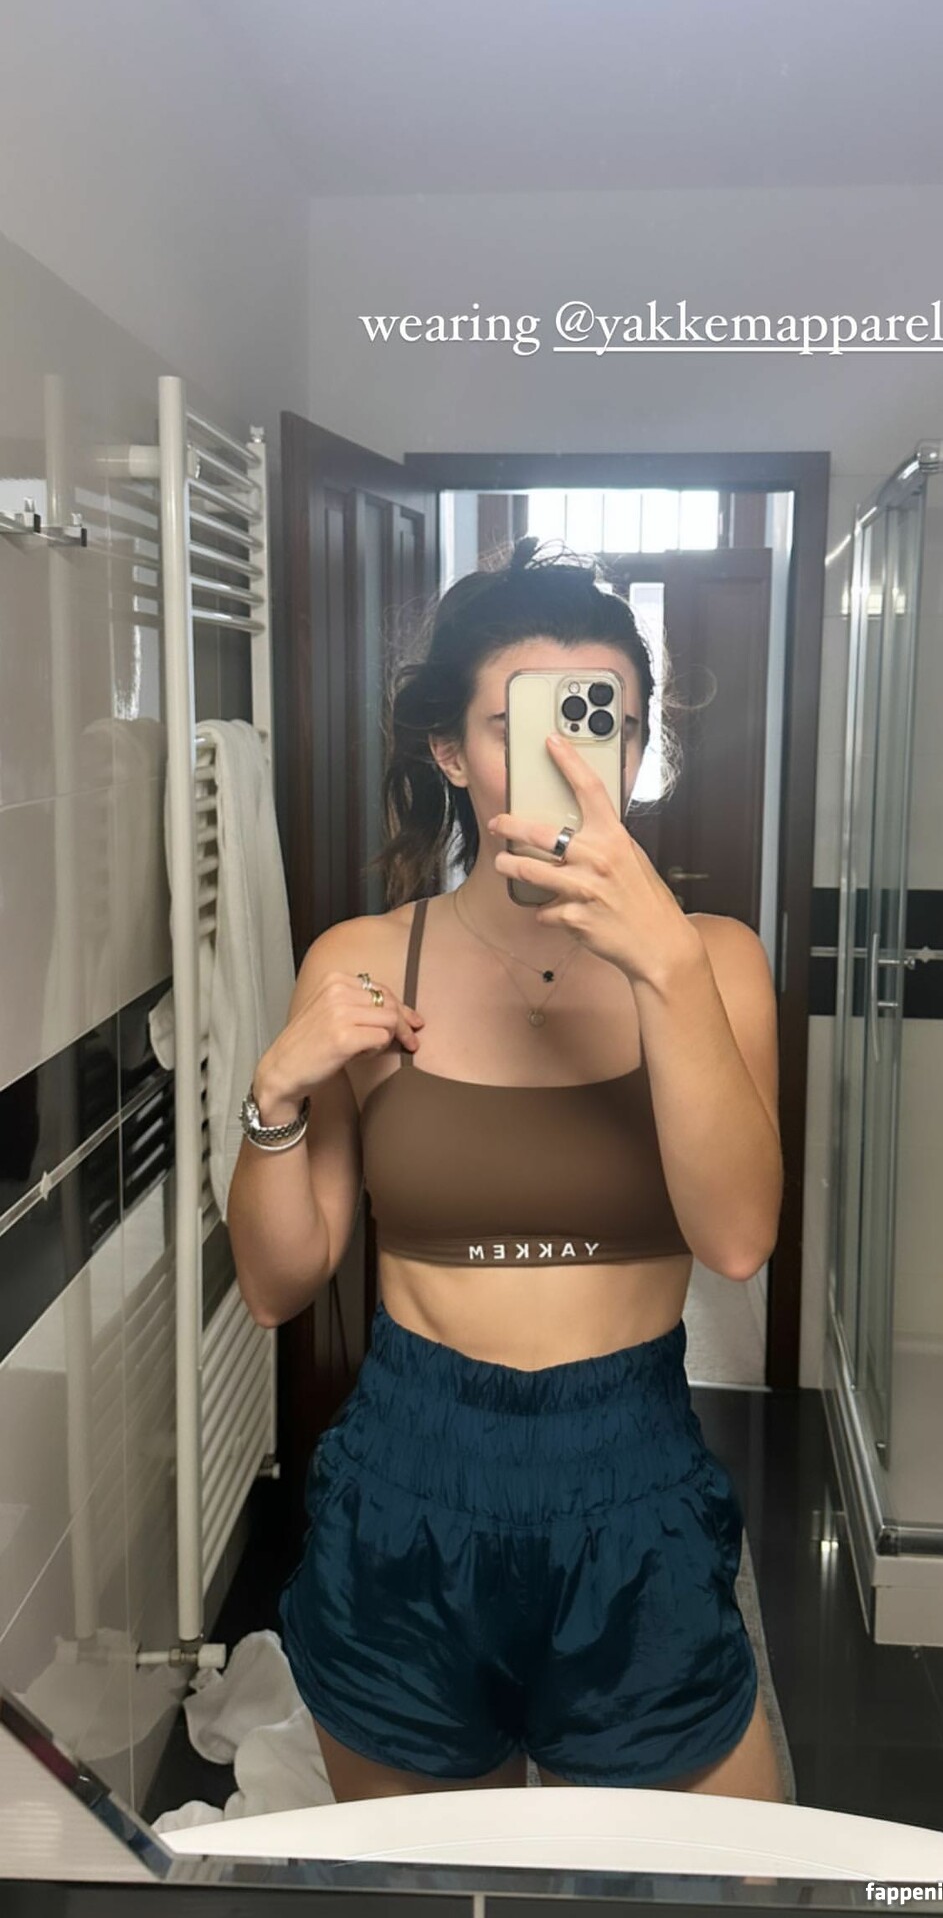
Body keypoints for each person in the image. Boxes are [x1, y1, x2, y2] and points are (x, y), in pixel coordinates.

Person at [227, 536, 786, 1804]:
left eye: (609, 726)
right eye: (519, 727)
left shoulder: (714, 959)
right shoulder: (362, 959)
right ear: (449, 752)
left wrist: (663, 967)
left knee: (723, 1882)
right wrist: (274, 1097)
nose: (578, 762)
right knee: (431, 1884)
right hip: (407, 1480)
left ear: (639, 749)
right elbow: (275, 1285)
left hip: (634, 1472)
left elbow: (738, 1239)